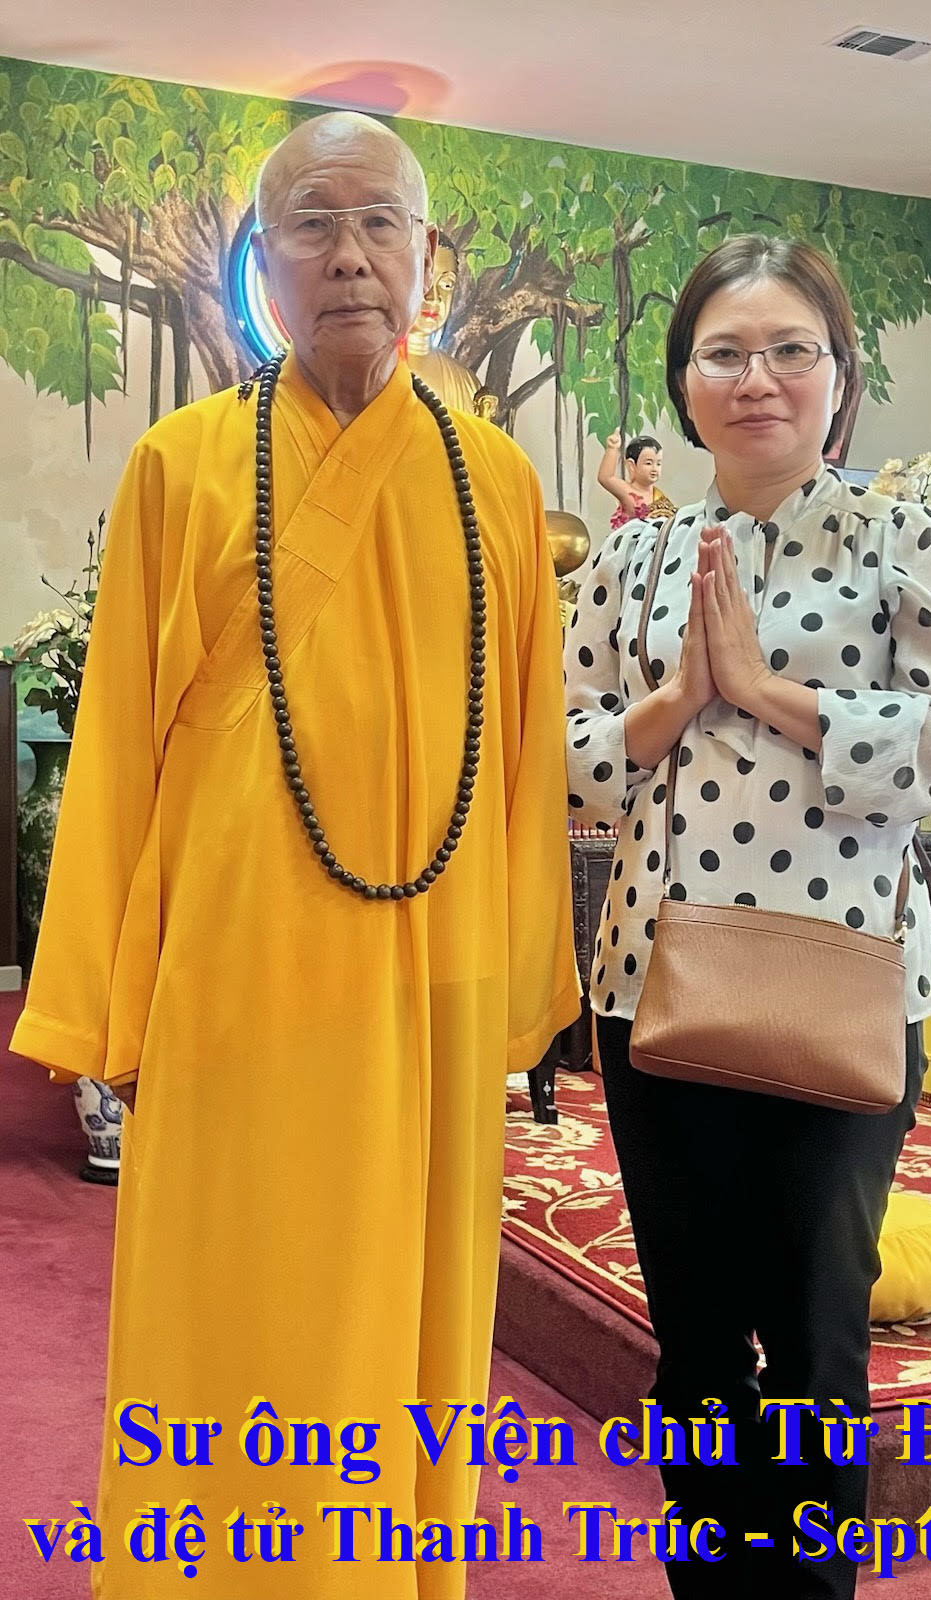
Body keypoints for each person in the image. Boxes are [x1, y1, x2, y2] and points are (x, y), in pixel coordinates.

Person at [10, 110, 579, 1600]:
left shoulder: (496, 482)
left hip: (427, 977)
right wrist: (106, 1006)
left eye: (379, 222)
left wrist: (515, 982)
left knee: (401, 1318)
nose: (348, 256)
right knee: (234, 1301)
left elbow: (526, 757)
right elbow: (116, 752)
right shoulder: (182, 467)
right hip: (236, 978)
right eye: (311, 225)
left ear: (426, 257)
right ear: (260, 266)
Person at [564, 234, 931, 1598]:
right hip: (655, 989)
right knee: (696, 1347)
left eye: (789, 350)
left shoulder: (901, 536)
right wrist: (671, 706)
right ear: (685, 385)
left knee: (818, 1346)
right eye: (726, 354)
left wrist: (772, 695)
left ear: (839, 376)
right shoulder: (631, 564)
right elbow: (560, 763)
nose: (758, 379)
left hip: (843, 988)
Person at [405, 231, 499, 419]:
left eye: (446, 285)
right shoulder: (364, 376)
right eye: (422, 280)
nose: (433, 297)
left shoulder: (466, 384)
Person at [598, 429, 678, 529]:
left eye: (658, 464)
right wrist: (612, 448)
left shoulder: (660, 497)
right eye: (648, 463)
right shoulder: (628, 491)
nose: (654, 469)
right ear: (631, 465)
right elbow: (606, 478)